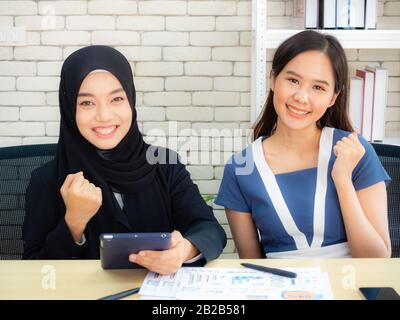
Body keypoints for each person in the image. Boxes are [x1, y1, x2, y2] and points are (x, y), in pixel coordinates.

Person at [23, 45, 226, 274]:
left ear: (130, 99)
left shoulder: (164, 164)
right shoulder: (46, 180)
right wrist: (74, 222)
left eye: (117, 99)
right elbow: (35, 270)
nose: (104, 116)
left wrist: (184, 250)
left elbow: (209, 229)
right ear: (69, 109)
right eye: (87, 103)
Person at [215, 30, 391, 259]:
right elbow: (252, 265)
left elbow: (376, 260)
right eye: (293, 80)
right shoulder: (240, 168)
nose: (301, 97)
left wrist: (343, 180)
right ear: (272, 79)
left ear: (333, 98)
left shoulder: (355, 152)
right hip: (280, 290)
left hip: (350, 288)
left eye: (318, 87)